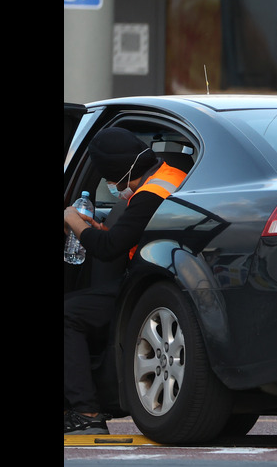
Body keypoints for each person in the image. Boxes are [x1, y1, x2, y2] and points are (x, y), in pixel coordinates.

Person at [64, 128, 188, 434]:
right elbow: (129, 236)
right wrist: (99, 229)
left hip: (143, 286)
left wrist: (74, 223)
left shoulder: (148, 196)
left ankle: (87, 413)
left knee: (68, 315)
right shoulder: (172, 174)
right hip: (166, 280)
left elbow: (108, 250)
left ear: (113, 172)